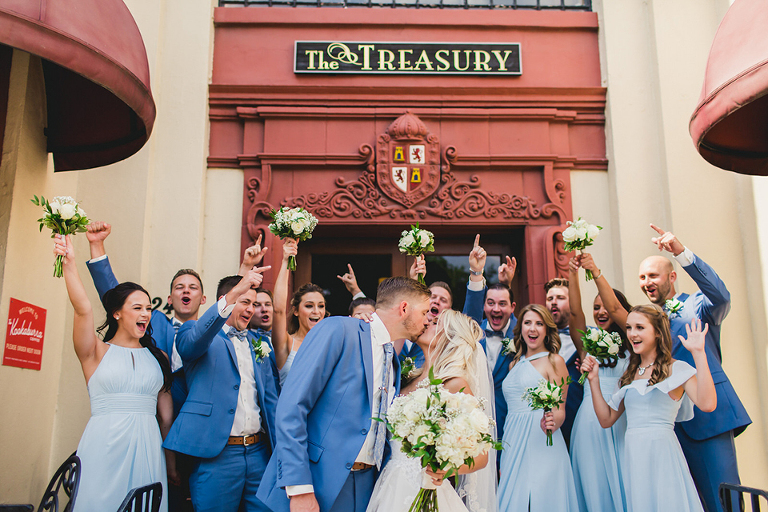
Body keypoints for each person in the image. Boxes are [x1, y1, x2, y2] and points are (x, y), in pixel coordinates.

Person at [584, 224, 751, 512]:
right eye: (641, 277)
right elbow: (613, 309)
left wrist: (682, 253)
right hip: (664, 434)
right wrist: (594, 271)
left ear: (672, 277)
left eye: (653, 275)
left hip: (706, 420)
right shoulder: (642, 320)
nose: (646, 281)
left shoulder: (697, 306)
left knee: (723, 500)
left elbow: (721, 297)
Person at [257, 277, 432, 512]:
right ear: (404, 309)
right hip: (318, 481)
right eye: (425, 312)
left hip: (368, 484)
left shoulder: (392, 358)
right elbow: (291, 407)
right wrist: (299, 487)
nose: (428, 320)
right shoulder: (338, 330)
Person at [85, 221, 203, 512]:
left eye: (193, 287)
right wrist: (97, 247)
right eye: (179, 287)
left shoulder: (212, 332)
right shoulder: (151, 324)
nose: (185, 291)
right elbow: (117, 297)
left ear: (204, 297)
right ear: (170, 296)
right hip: (149, 436)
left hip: (200, 436)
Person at [53, 234, 172, 512]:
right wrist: (69, 263)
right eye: (137, 308)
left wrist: (169, 460)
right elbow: (82, 309)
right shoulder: (95, 352)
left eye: (148, 309)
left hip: (148, 445)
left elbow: (166, 415)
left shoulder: (158, 357)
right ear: (117, 313)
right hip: (105, 443)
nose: (145, 314)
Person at [162, 268, 278, 512]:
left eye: (254, 304)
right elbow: (193, 343)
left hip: (259, 452)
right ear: (226, 301)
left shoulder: (260, 343)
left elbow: (271, 400)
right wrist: (238, 289)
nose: (250, 309)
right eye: (244, 302)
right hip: (217, 455)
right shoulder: (193, 333)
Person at [581, 306, 717, 512]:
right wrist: (593, 381)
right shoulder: (630, 373)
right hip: (634, 456)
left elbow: (707, 404)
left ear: (657, 332)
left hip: (662, 452)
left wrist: (699, 353)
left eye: (639, 327)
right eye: (629, 327)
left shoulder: (675, 368)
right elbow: (606, 419)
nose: (632, 334)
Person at [367, 310, 497, 512]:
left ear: (451, 338)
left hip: (426, 488)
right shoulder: (407, 378)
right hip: (390, 484)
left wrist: (446, 470)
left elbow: (482, 456)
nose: (426, 322)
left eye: (436, 322)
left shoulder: (455, 385)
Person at [496, 304, 578, 512]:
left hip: (542, 439)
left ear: (547, 330)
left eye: (539, 324)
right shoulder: (514, 364)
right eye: (528, 323)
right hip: (513, 440)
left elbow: (560, 408)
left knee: (543, 500)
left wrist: (553, 422)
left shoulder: (555, 361)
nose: (533, 329)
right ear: (520, 328)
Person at [567, 256, 632, 512]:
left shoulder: (633, 342)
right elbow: (574, 313)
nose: (601, 311)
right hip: (590, 423)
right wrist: (572, 273)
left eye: (604, 305)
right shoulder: (587, 346)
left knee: (625, 482)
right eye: (596, 307)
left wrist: (593, 271)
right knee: (594, 484)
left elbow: (617, 310)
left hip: (622, 419)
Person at [462, 235, 517, 443]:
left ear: (512, 308)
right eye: (490, 303)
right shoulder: (473, 333)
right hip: (473, 427)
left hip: (510, 427)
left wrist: (507, 284)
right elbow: (470, 314)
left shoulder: (521, 337)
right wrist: (476, 272)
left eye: (502, 304)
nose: (495, 309)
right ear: (484, 306)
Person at [272, 239, 328, 387]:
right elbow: (278, 310)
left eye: (321, 306)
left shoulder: (329, 344)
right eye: (309, 306)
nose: (316, 311)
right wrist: (285, 261)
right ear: (296, 311)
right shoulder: (287, 344)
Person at [544, 277, 583, 448]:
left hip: (580, 420)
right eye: (550, 299)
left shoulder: (589, 338)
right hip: (547, 425)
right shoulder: (537, 342)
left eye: (560, 298)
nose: (554, 303)